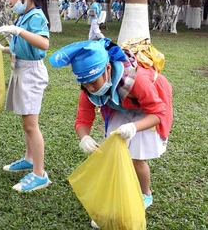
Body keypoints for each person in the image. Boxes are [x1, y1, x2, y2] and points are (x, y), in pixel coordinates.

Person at [49, 38, 173, 228]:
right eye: (85, 85)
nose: (91, 88)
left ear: (107, 68)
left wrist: (134, 127)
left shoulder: (138, 80)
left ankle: (145, 194)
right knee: (114, 152)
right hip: (121, 105)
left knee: (136, 157)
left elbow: (157, 112)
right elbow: (82, 118)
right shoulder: (89, 88)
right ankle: (117, 195)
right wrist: (84, 137)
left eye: (93, 82)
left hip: (147, 108)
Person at [0, 0, 52, 192]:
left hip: (31, 74)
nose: (9, 2)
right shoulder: (23, 16)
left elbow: (43, 44)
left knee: (30, 124)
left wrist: (18, 31)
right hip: (21, 70)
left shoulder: (36, 16)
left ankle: (39, 173)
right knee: (26, 121)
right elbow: (23, 47)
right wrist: (4, 48)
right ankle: (29, 158)